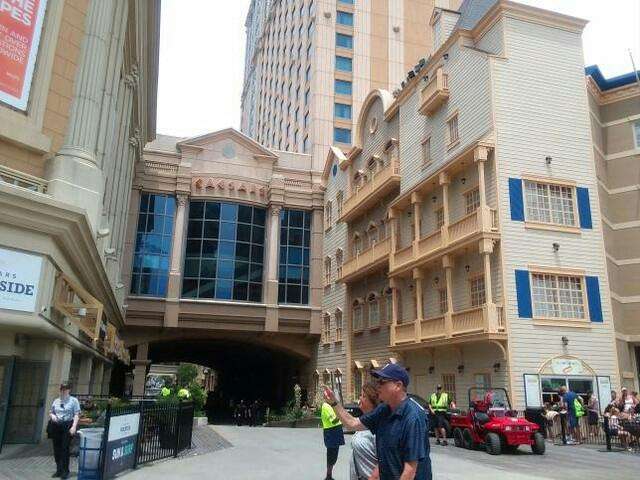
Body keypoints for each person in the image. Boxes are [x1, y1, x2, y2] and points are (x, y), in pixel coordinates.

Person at [324, 363, 431, 480]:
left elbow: (410, 470)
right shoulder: (384, 409)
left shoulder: (413, 416)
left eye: (382, 382)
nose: (377, 386)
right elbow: (352, 424)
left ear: (398, 385)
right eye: (377, 381)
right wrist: (334, 402)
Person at [49, 382, 80, 479]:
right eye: (62, 389)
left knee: (65, 448)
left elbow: (76, 414)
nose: (63, 391)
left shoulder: (73, 400)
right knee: (56, 448)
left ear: (69, 390)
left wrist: (74, 426)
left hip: (67, 425)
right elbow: (51, 411)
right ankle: (59, 469)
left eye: (66, 389)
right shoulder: (56, 401)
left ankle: (65, 471)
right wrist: (52, 416)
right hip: (56, 425)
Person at [350, 383, 380, 480]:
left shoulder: (377, 426)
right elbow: (349, 423)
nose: (360, 398)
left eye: (363, 396)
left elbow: (383, 461)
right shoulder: (363, 421)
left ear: (372, 401)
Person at [321, 399, 345, 480]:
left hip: (335, 431)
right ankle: (328, 476)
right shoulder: (326, 406)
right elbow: (334, 421)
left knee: (334, 455)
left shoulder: (332, 405)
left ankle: (329, 475)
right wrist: (342, 414)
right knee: (331, 455)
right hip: (331, 432)